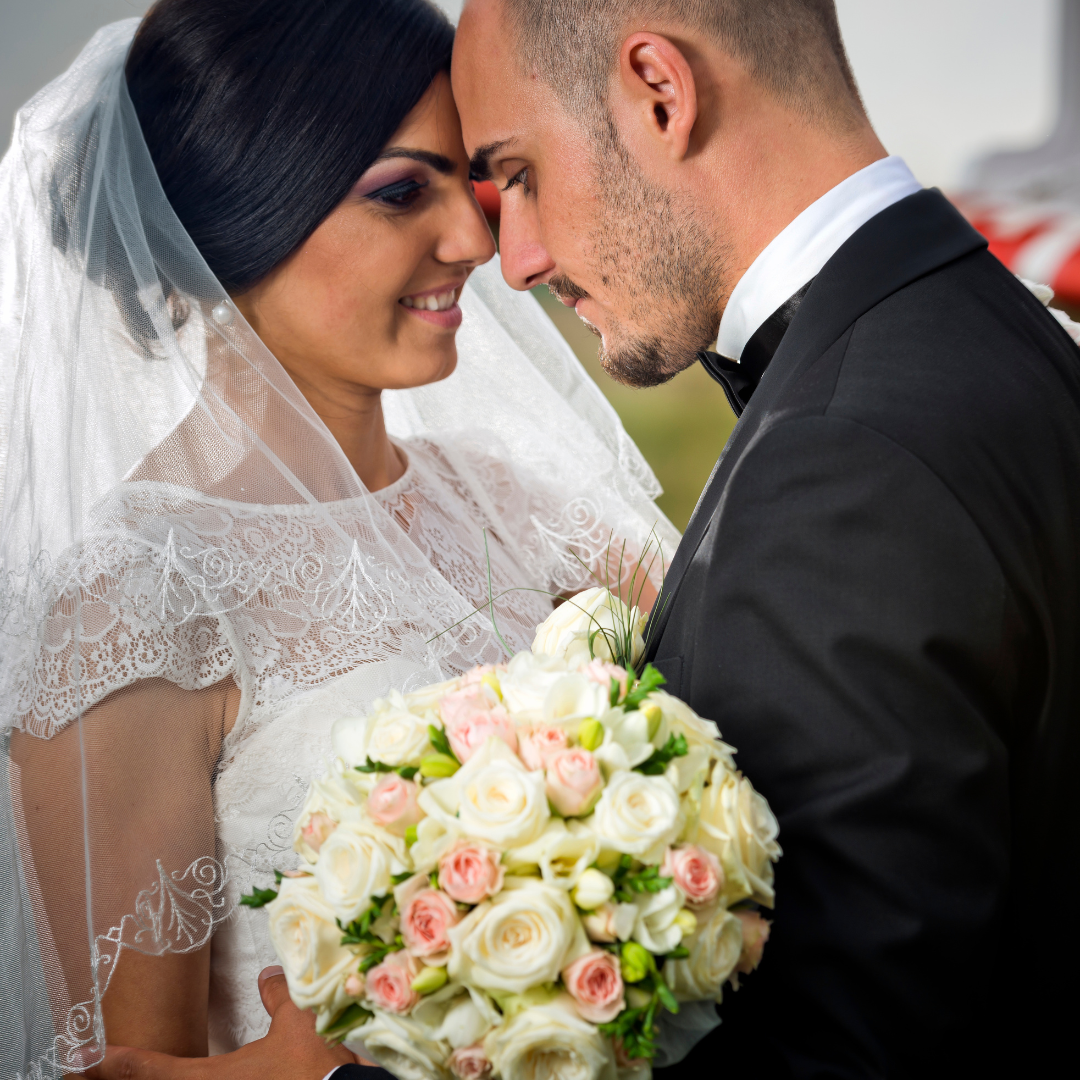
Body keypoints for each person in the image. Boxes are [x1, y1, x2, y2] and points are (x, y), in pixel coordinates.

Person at [0, 2, 674, 1077]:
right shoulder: (138, 599)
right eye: (404, 190)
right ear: (235, 216)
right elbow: (115, 1065)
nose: (475, 240)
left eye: (470, 179)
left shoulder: (535, 505)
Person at [450, 0, 1080, 1077]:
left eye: (518, 175)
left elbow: (833, 1045)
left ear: (661, 90)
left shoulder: (844, 460)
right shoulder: (995, 333)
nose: (516, 258)